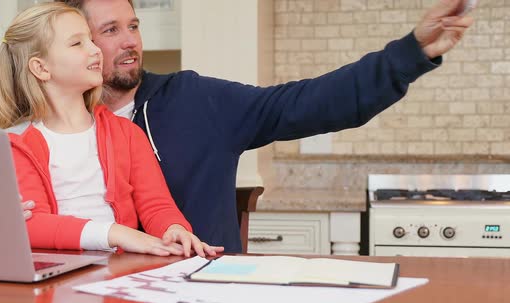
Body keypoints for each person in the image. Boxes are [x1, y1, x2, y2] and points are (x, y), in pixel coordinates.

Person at [23, 0, 473, 253]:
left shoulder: (196, 100)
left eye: (134, 26)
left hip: (201, 302)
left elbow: (305, 103)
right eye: (108, 30)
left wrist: (411, 53)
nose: (129, 42)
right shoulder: (31, 140)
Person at [0, 2, 223, 257]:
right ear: (41, 68)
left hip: (121, 273)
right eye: (77, 43)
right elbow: (32, 224)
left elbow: (157, 206)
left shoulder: (127, 134)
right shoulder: (16, 143)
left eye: (91, 40)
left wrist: (174, 228)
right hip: (58, 277)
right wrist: (116, 233)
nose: (95, 50)